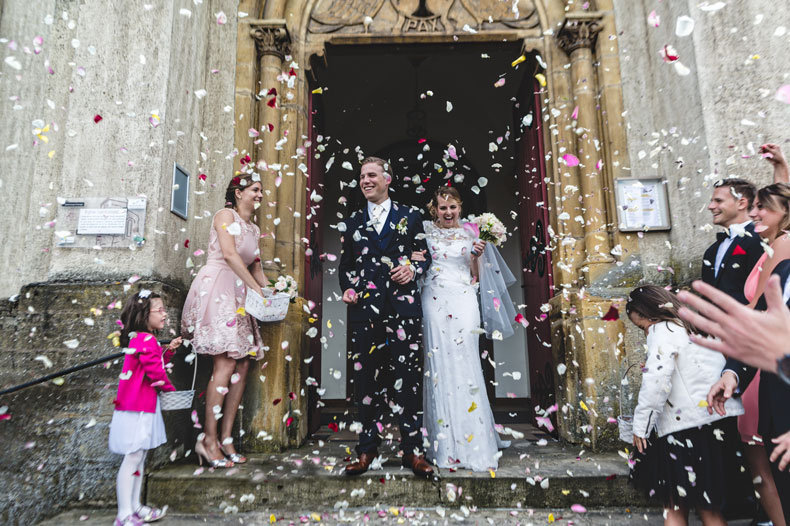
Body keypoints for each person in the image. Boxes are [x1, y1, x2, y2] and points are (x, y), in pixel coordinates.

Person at [338, 156, 434, 477]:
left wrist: (412, 268)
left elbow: (425, 257)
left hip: (403, 310)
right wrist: (348, 288)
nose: (365, 181)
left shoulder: (411, 216)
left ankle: (412, 452)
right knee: (366, 382)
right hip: (365, 313)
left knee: (408, 381)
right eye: (362, 176)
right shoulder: (352, 222)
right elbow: (346, 267)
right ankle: (366, 451)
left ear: (387, 179)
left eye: (371, 175)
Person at [408, 187, 510, 471]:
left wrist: (478, 254)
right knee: (438, 366)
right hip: (434, 297)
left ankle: (474, 443)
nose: (448, 213)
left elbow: (476, 276)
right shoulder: (425, 230)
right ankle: (444, 445)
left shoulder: (472, 232)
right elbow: (419, 261)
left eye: (452, 207)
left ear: (460, 207)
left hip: (464, 298)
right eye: (443, 208)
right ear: (435, 209)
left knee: (466, 363)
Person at [626, 285, 746, 526]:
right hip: (715, 423)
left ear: (650, 314)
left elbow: (657, 381)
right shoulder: (692, 325)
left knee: (674, 506)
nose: (645, 332)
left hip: (685, 429)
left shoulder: (662, 329)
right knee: (708, 506)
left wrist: (641, 426)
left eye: (643, 326)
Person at [707, 183, 790, 526]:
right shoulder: (781, 268)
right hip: (777, 397)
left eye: (762, 208)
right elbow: (764, 327)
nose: (755, 214)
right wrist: (733, 373)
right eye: (753, 207)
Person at [181, 172, 267, 468]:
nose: (259, 195)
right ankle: (207, 439)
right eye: (255, 189)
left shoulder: (254, 229)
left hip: (240, 294)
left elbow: (256, 268)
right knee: (225, 363)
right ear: (238, 192)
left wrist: (272, 292)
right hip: (218, 288)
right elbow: (230, 255)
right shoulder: (224, 214)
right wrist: (256, 288)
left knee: (243, 364)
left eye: (261, 190)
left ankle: (226, 438)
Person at [110, 290, 182, 526]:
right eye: (159, 310)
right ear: (144, 314)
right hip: (137, 408)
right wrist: (172, 391)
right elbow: (155, 372)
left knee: (139, 459)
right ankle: (123, 514)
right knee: (133, 458)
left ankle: (135, 506)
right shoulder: (145, 339)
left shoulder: (142, 339)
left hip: (141, 406)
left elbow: (154, 362)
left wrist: (168, 350)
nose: (164, 314)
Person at [701, 178, 763, 305]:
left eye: (718, 201)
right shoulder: (711, 251)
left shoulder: (758, 240)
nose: (710, 207)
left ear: (741, 203)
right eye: (711, 201)